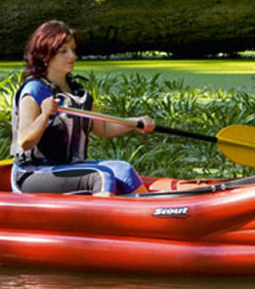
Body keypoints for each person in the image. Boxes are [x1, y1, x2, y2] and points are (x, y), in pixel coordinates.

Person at [10, 20, 155, 196]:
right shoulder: (34, 90)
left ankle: (150, 211)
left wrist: (135, 122)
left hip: (68, 167)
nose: (72, 56)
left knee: (124, 170)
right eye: (63, 51)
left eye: (73, 50)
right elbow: (25, 142)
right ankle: (107, 213)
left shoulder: (77, 92)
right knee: (100, 176)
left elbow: (103, 127)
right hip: (32, 173)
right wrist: (45, 115)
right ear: (45, 55)